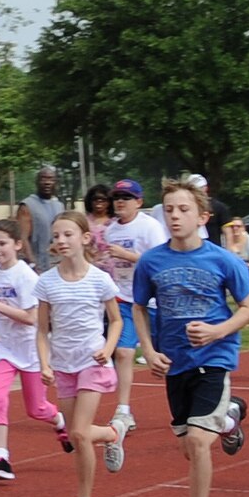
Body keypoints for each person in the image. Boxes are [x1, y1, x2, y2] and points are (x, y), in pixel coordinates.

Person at [132, 179, 249, 497]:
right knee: (189, 446)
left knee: (200, 442)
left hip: (213, 360)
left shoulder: (224, 260)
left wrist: (217, 330)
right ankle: (229, 418)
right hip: (175, 363)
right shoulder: (151, 262)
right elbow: (138, 307)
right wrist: (149, 350)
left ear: (202, 216)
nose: (175, 216)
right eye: (169, 209)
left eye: (183, 209)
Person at [34, 212, 128, 497]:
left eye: (67, 235)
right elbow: (41, 330)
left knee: (76, 433)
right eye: (56, 236)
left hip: (92, 362)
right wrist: (44, 364)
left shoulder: (99, 279)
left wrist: (108, 348)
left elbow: (116, 320)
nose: (61, 241)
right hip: (63, 365)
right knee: (78, 438)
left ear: (85, 238)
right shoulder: (46, 282)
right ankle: (113, 433)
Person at [0, 219, 66, 480]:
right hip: (6, 349)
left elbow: (30, 317)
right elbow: (4, 314)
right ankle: (1, 457)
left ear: (17, 245)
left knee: (36, 409)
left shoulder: (26, 276)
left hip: (31, 348)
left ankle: (60, 421)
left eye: (2, 243)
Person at [99, 178, 168, 432]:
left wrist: (128, 256)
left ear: (139, 202)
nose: (120, 201)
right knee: (124, 352)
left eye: (126, 198)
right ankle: (124, 409)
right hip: (125, 298)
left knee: (169, 355)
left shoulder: (150, 227)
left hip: (155, 299)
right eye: (116, 197)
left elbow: (161, 261)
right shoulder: (110, 230)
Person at [17, 165, 67, 272]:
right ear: (37, 182)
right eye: (43, 179)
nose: (47, 182)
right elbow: (22, 237)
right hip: (38, 265)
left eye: (51, 179)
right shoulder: (27, 205)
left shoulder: (59, 206)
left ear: (56, 182)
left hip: (58, 263)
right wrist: (32, 263)